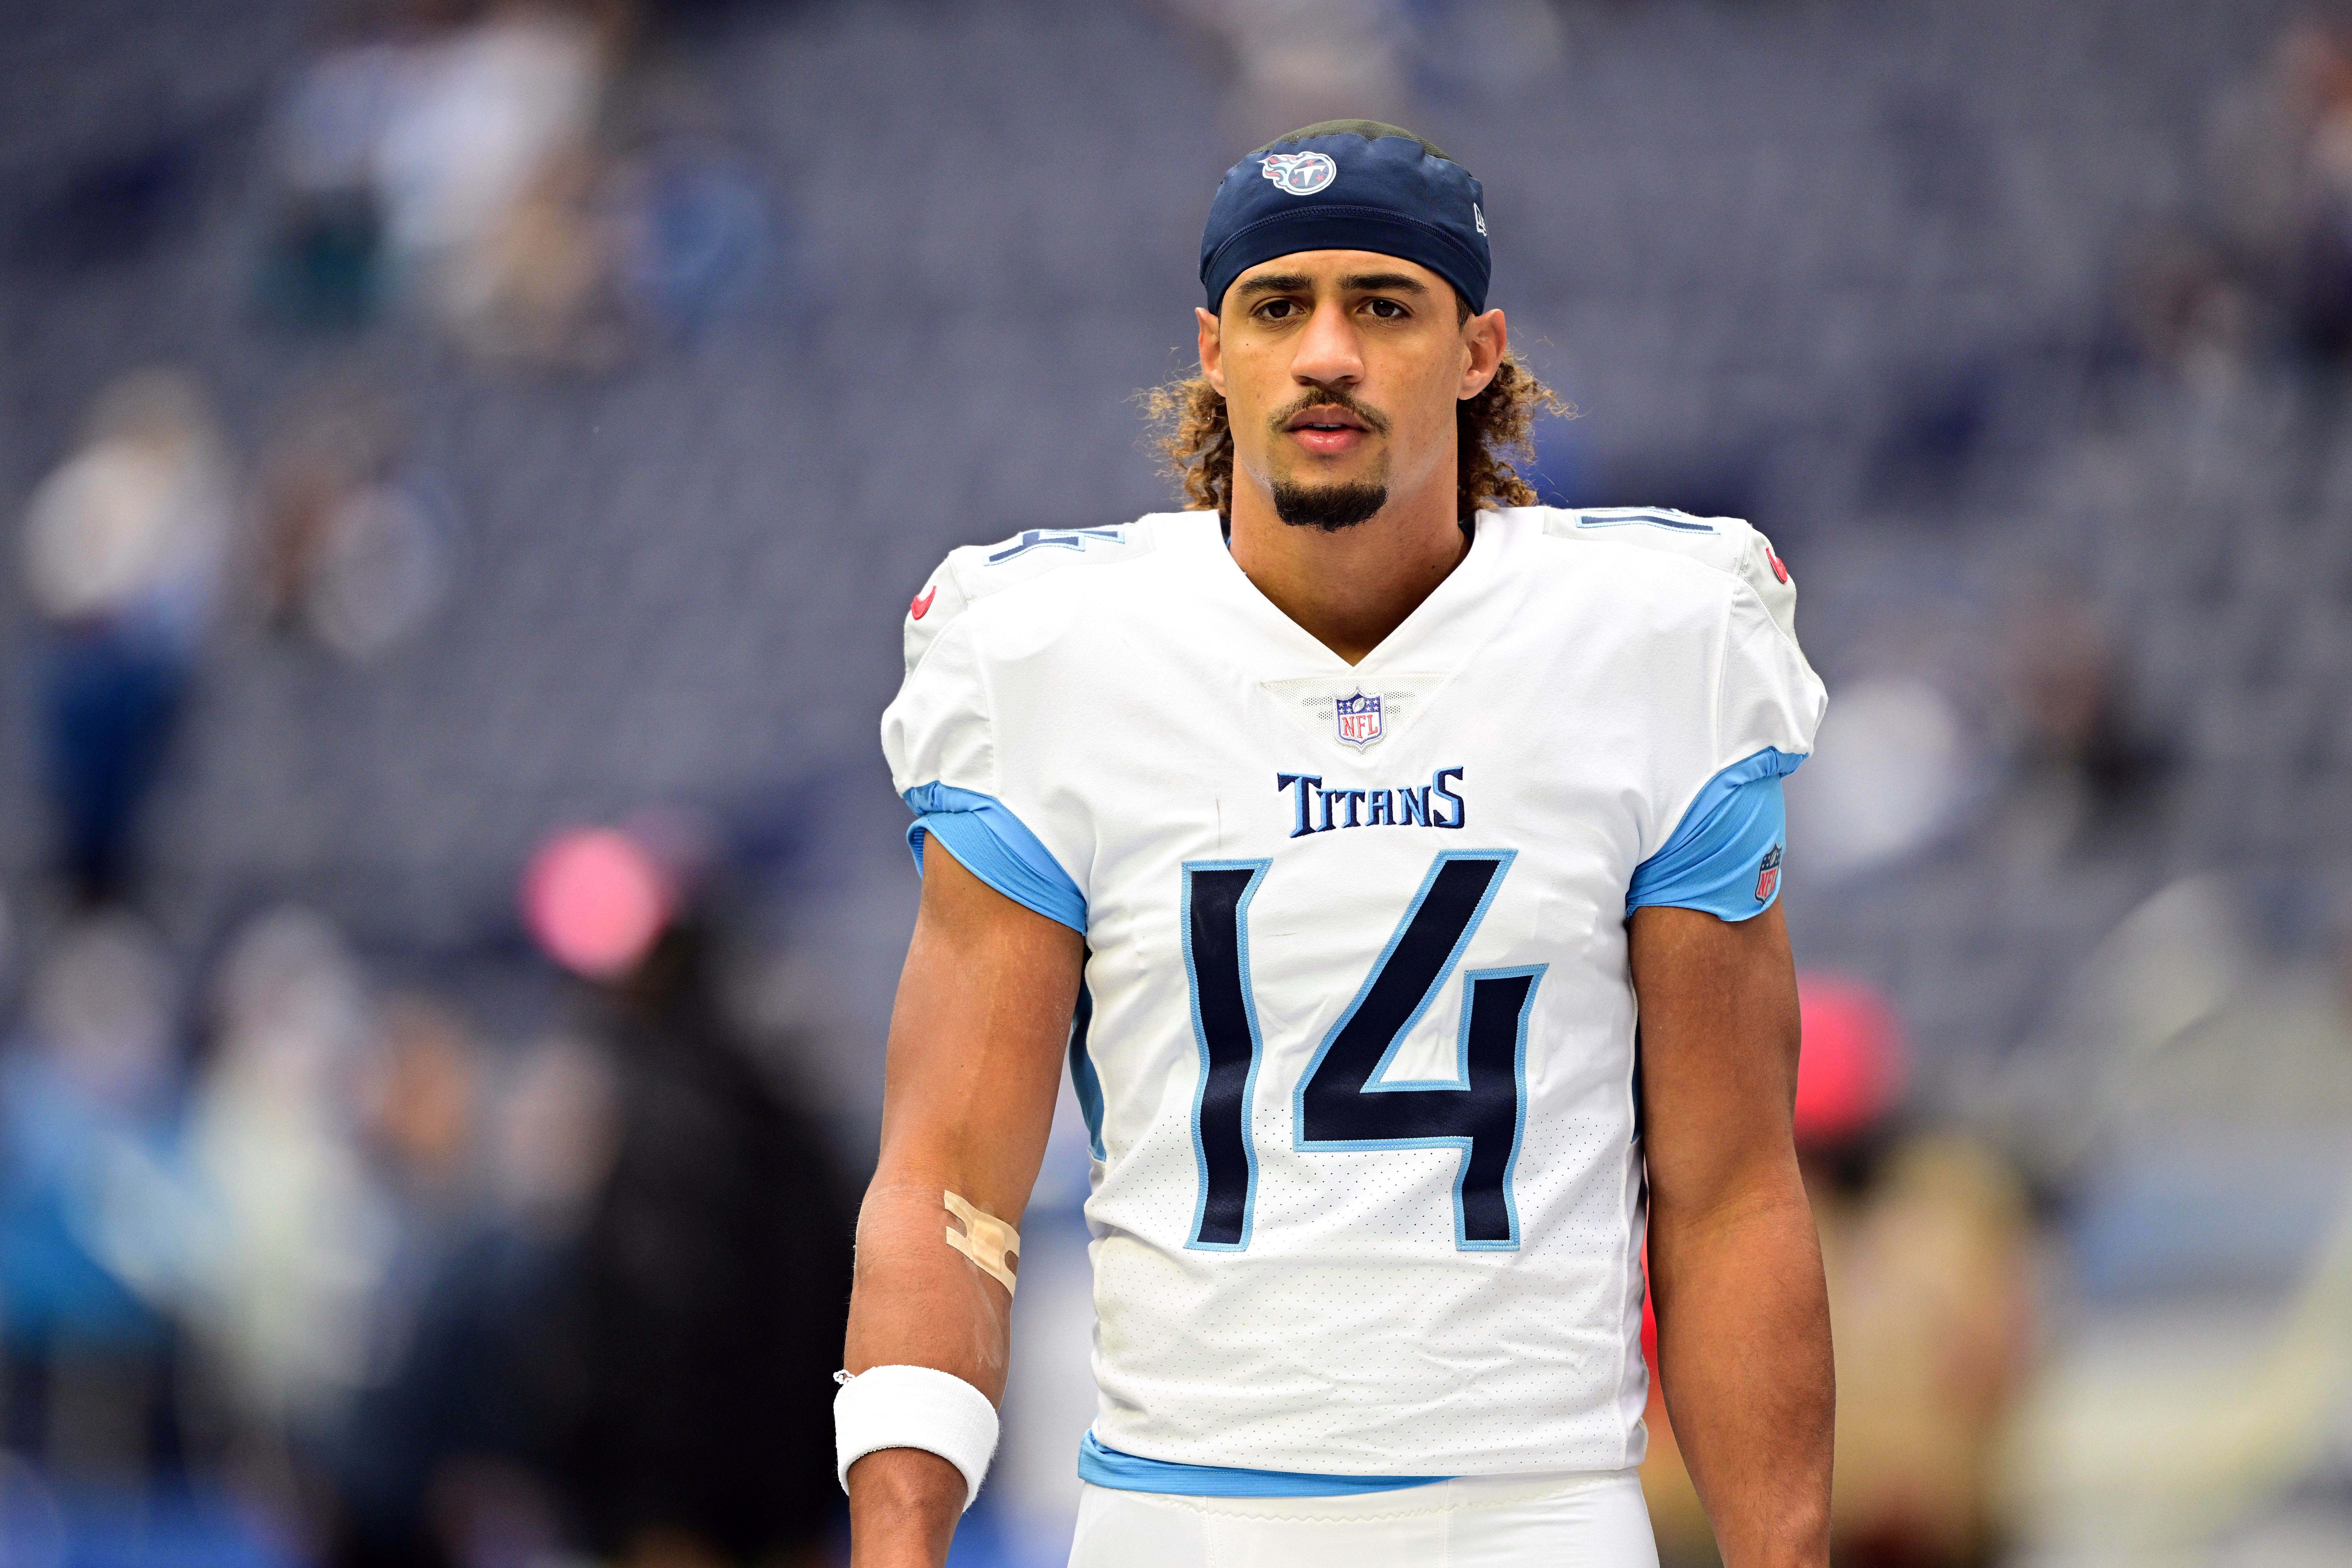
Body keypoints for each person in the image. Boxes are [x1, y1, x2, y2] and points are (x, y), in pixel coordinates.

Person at [841, 122, 1833, 1567]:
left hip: (1535, 1511)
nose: (1325, 352)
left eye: (1382, 304)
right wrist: (895, 1544)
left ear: (1478, 348)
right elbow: (950, 1183)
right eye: (1277, 306)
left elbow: (1733, 1187)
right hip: (1178, 1510)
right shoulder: (1053, 653)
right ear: (1213, 348)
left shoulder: (1650, 641)